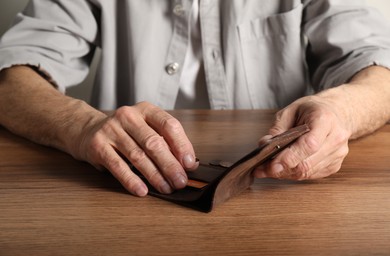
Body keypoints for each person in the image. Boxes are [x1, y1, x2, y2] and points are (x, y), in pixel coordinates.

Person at [0, 0, 390, 197]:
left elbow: (379, 62)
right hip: (119, 193)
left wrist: (341, 110)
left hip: (280, 194)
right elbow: (10, 74)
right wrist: (81, 126)